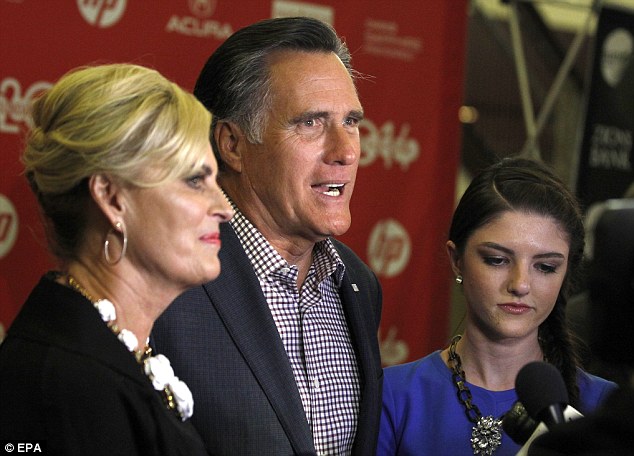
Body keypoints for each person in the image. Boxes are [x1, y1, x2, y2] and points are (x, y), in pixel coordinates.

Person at [152, 16, 383, 456]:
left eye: (350, 121)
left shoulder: (358, 284)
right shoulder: (167, 280)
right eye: (311, 123)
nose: (346, 151)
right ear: (233, 145)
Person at [0, 64, 233, 455]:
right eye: (195, 180)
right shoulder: (69, 385)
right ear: (111, 198)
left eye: (215, 182)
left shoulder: (109, 358)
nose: (225, 207)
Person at [377, 157, 617, 456]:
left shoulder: (606, 407)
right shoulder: (394, 395)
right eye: (497, 260)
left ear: (566, 272)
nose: (520, 284)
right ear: (457, 259)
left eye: (545, 267)